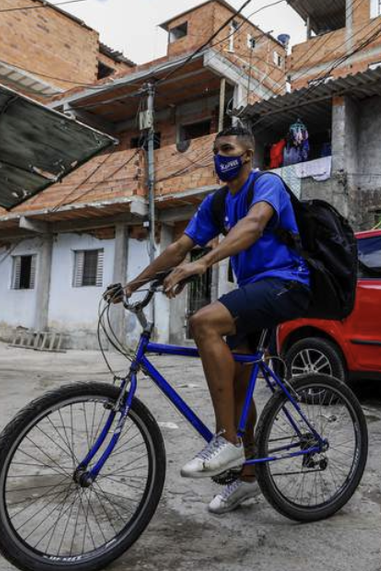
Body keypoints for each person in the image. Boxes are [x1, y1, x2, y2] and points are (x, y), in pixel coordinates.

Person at [112, 125, 311, 513]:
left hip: (287, 283)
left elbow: (253, 226)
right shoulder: (217, 203)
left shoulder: (266, 184)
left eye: (227, 148)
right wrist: (133, 284)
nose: (220, 156)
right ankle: (248, 477)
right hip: (255, 291)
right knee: (238, 386)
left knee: (204, 322)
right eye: (216, 151)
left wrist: (202, 264)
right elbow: (179, 246)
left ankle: (229, 442)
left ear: (248, 154)